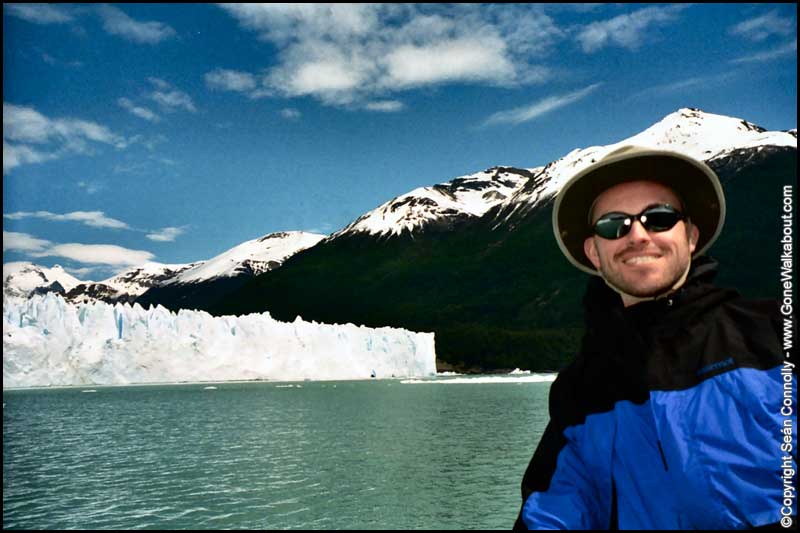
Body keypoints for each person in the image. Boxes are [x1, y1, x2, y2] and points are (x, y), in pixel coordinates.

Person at [513, 145, 796, 530]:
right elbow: (551, 513)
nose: (638, 235)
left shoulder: (776, 333)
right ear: (594, 252)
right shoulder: (580, 391)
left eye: (659, 218)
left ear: (691, 236)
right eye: (613, 225)